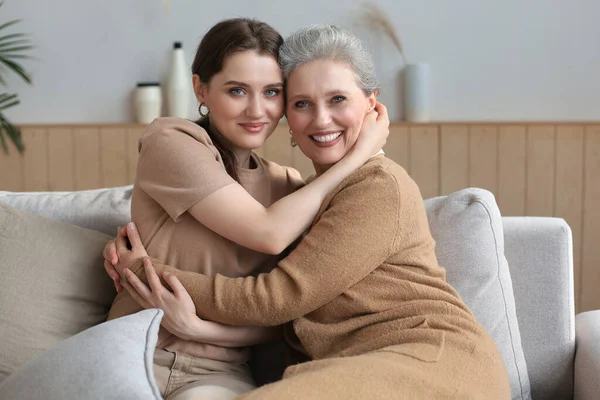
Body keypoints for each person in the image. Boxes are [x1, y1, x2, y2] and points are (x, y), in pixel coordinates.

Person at [107, 25, 511, 399]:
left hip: (428, 358)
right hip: (355, 364)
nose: (321, 119)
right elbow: (287, 312)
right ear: (291, 117)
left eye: (337, 99)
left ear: (371, 105)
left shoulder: (376, 186)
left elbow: (275, 298)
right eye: (302, 103)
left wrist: (142, 271)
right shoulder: (301, 198)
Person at [104, 18, 389, 400]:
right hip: (131, 353)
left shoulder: (288, 188)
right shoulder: (171, 140)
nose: (257, 110)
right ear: (200, 88)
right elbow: (266, 233)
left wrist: (196, 329)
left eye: (272, 92)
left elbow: (287, 314)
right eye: (237, 90)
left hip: (218, 374)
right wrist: (357, 156)